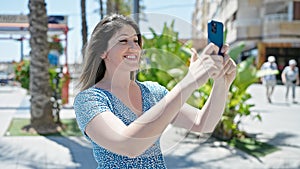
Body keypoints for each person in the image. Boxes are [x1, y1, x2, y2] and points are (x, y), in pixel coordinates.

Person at [73, 14, 236, 169]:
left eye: (136, 41)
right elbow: (129, 145)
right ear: (103, 51)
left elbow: (203, 123)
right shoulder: (89, 100)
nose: (134, 47)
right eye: (123, 41)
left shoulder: (153, 92)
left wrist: (222, 82)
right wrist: (188, 82)